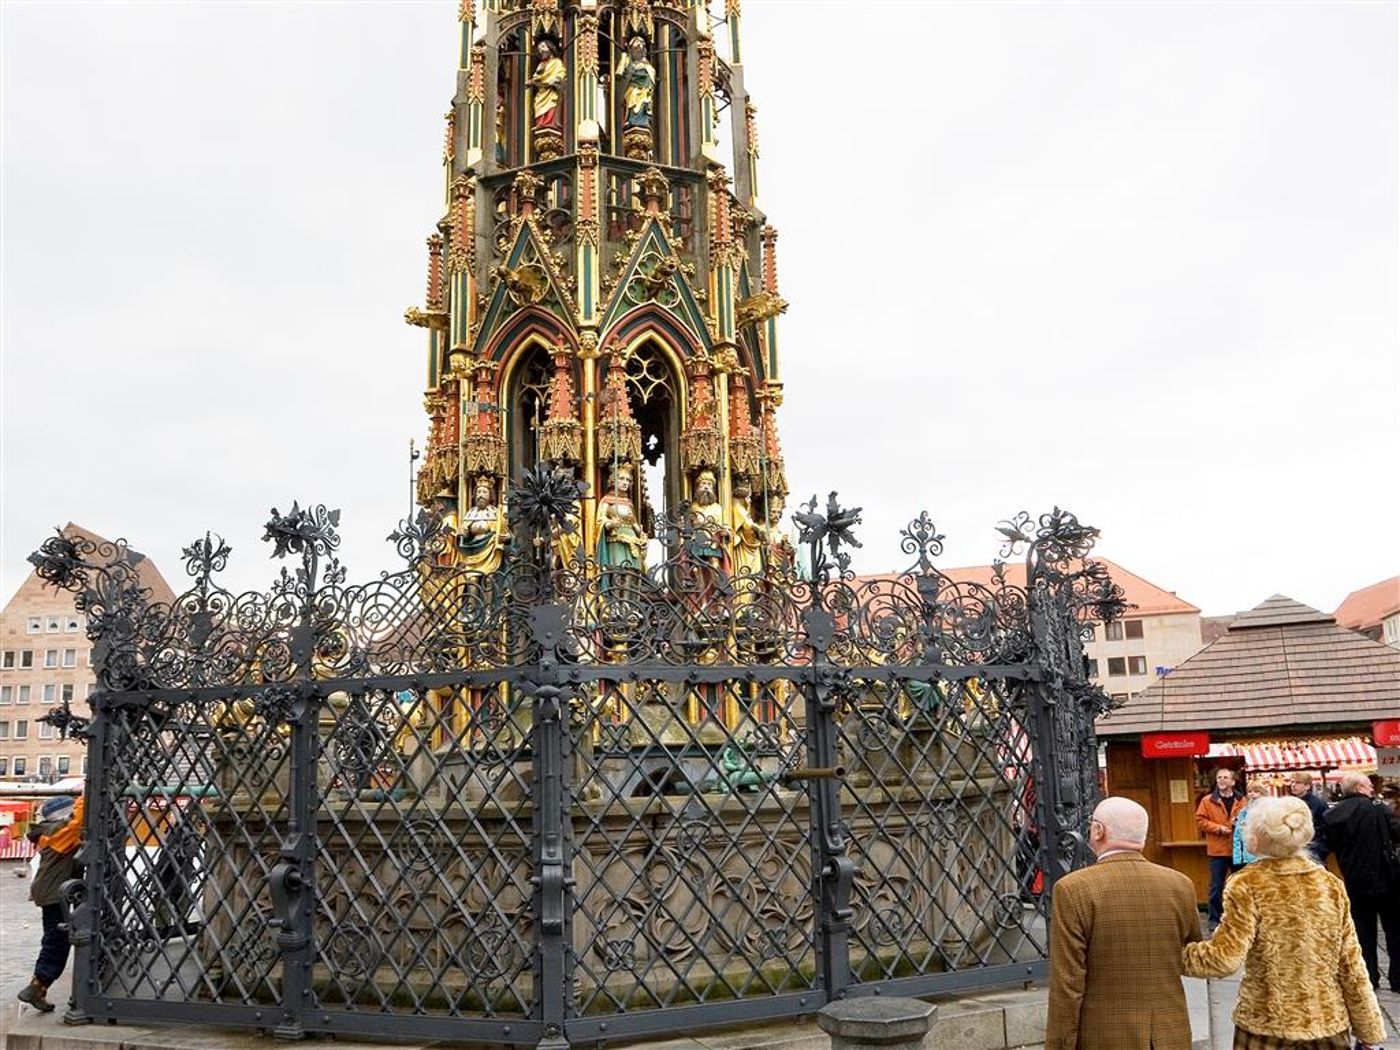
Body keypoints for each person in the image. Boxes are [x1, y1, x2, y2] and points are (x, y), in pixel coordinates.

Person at [1183, 795, 1387, 1049]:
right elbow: (1351, 964)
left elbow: (1223, 958)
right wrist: (1369, 1030)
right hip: (1326, 1023)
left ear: (1256, 840)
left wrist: (1179, 955)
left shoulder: (1247, 884)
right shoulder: (1329, 884)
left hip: (1265, 1023)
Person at [1045, 797, 1201, 1049]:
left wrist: (1059, 1045)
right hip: (1171, 1033)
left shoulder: (1073, 890)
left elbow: (1068, 983)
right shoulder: (1181, 885)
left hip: (1105, 1037)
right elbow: (1191, 954)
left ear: (1098, 831)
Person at [1319, 771, 1400, 993]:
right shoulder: (1378, 809)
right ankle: (1398, 978)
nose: (1372, 788)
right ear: (1358, 788)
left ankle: (1369, 977)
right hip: (1387, 879)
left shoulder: (1332, 816)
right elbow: (1396, 833)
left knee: (1363, 932)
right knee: (1394, 930)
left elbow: (1325, 847)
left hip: (1355, 879)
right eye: (1367, 785)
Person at [16, 794, 85, 1013]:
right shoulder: (57, 832)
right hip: (54, 892)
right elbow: (77, 824)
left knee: (56, 938)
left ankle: (39, 988)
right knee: (57, 940)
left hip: (52, 890)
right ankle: (38, 984)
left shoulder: (49, 831)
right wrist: (86, 794)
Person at [1195, 767, 1247, 927]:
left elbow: (1249, 819)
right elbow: (1200, 821)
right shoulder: (1207, 800)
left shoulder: (1242, 800)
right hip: (1217, 851)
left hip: (1238, 851)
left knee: (1240, 886)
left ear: (1232, 781)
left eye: (1225, 777)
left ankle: (1240, 919)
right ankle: (1214, 919)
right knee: (1216, 887)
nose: (1222, 780)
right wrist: (1217, 828)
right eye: (1219, 778)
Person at [1288, 771, 1329, 862]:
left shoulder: (1318, 804)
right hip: (1295, 846)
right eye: (1292, 782)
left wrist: (1319, 849)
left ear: (1307, 786)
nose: (1293, 785)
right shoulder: (1289, 802)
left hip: (1314, 847)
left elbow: (1325, 829)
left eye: (1298, 782)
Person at [1232, 779, 1267, 867]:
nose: (1252, 793)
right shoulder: (1244, 811)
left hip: (1266, 853)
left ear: (1263, 793)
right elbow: (1237, 834)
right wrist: (1238, 857)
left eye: (1256, 791)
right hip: (1249, 854)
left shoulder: (1268, 809)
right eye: (1250, 791)